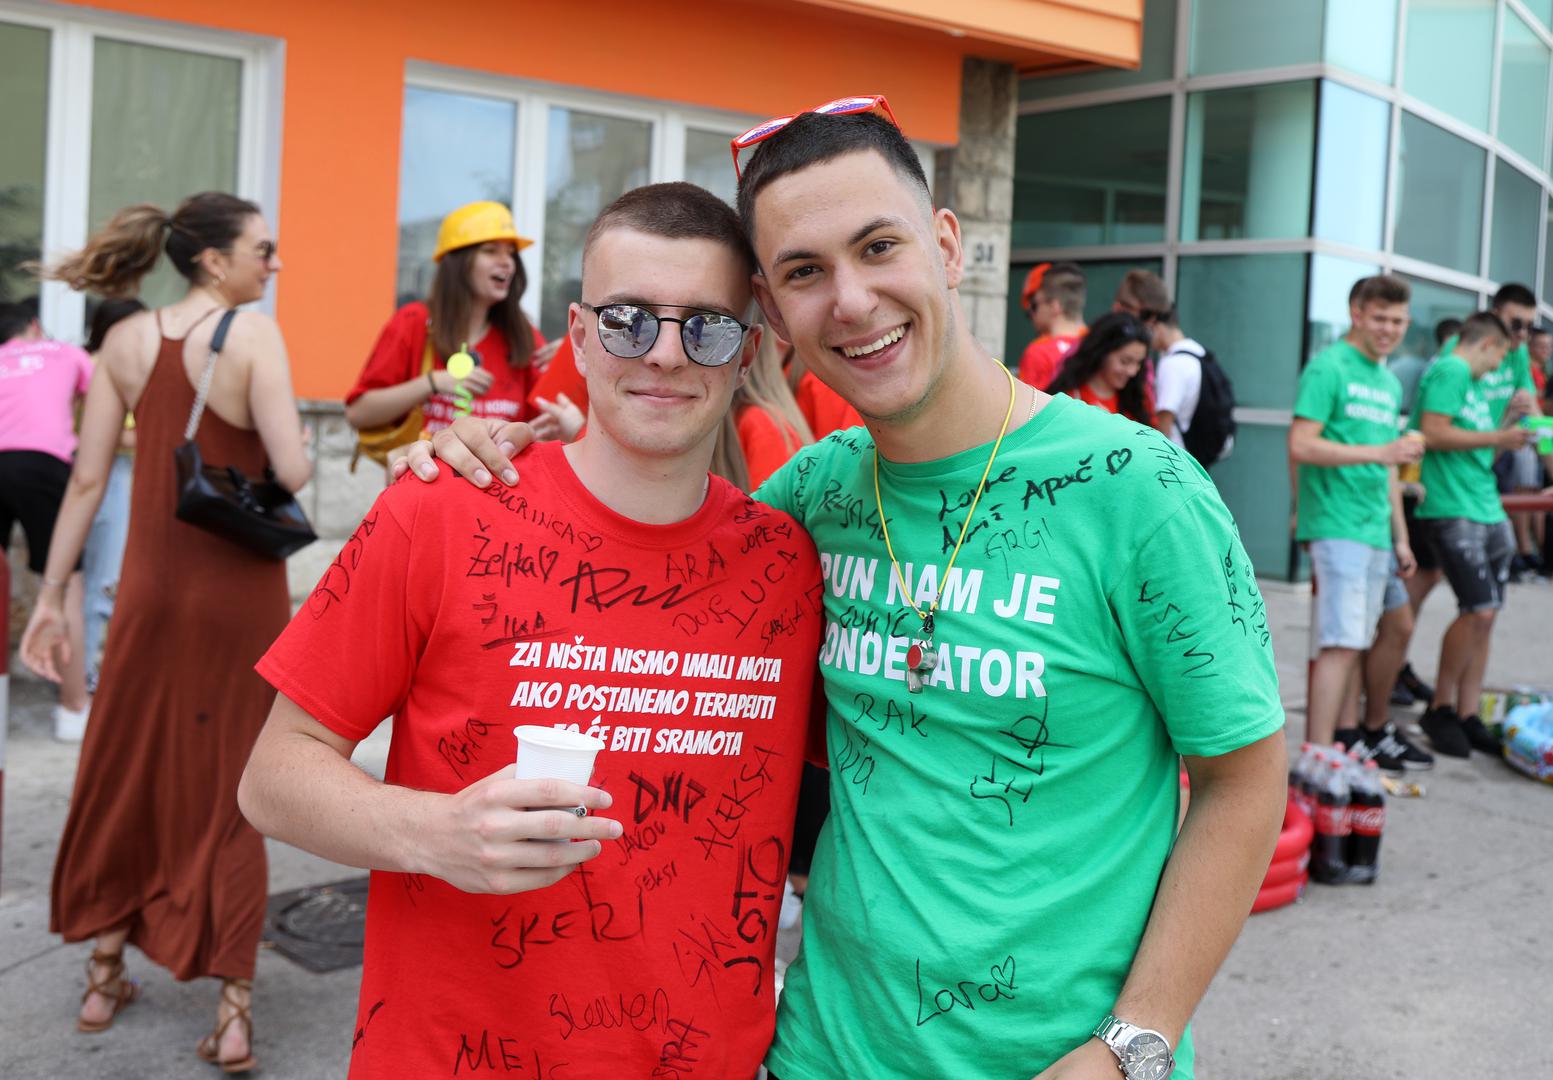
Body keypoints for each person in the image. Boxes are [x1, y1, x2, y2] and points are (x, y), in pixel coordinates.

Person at [409, 103, 1287, 1080]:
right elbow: (636, 564)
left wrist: (1131, 1045)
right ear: (772, 317)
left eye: (878, 247)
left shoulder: (1140, 491)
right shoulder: (814, 494)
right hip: (821, 1053)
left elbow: (1241, 780)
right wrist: (493, 463)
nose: (853, 301)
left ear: (946, 244)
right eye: (801, 273)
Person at [238, 182, 825, 1078]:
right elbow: (272, 777)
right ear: (580, 337)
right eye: (629, 320)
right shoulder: (440, 509)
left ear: (745, 352)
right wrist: (430, 832)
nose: (664, 355)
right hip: (447, 1057)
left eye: (703, 325)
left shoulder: (788, 564)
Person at [19, 192, 310, 1072]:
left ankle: (104, 971)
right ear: (216, 261)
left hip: (147, 589)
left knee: (125, 764)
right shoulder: (255, 336)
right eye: (265, 248)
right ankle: (232, 1010)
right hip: (239, 594)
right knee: (238, 784)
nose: (275, 262)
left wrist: (49, 596)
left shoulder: (122, 342)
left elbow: (83, 484)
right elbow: (291, 466)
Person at [1289, 274, 1423, 750]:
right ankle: (1318, 758)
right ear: (1357, 314)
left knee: (1358, 641)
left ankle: (1343, 748)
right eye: (1380, 318)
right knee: (1341, 644)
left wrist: (1401, 536)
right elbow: (1301, 444)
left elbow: (1387, 464)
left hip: (1374, 529)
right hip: (1336, 522)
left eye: (1398, 320)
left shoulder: (1387, 381)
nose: (1389, 328)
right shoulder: (1329, 367)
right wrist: (1380, 454)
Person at [344, 200, 578, 467]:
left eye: (511, 253)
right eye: (491, 251)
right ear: (458, 263)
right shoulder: (414, 321)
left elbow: (555, 423)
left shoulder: (524, 336)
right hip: (425, 492)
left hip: (497, 499)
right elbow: (358, 413)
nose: (508, 263)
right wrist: (433, 382)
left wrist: (574, 364)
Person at [1410, 313, 1537, 757]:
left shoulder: (1472, 382)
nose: (1501, 366)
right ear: (1487, 345)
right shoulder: (1453, 370)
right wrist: (1500, 435)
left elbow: (1474, 440)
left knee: (1489, 612)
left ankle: (1467, 712)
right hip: (1452, 507)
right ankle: (1440, 707)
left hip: (1484, 503)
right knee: (1478, 611)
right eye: (1502, 354)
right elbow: (1434, 432)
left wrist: (1506, 425)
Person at [0, 297, 93, 740]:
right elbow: (108, 399)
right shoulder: (65, 353)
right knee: (64, 585)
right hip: (44, 465)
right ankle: (73, 709)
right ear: (36, 325)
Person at [79, 298, 146, 695]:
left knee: (110, 579)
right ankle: (90, 676)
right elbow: (101, 436)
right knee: (103, 581)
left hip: (125, 478)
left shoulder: (117, 366)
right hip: (110, 479)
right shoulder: (99, 367)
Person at [1046, 310, 1156, 424]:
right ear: (1102, 352)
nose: (1132, 372)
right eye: (1124, 361)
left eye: (1139, 363)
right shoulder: (1068, 398)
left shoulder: (1138, 401)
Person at [1015, 261, 1086, 390]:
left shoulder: (1037, 352)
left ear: (1055, 306)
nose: (1031, 313)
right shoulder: (1100, 343)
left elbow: (1028, 407)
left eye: (1035, 305)